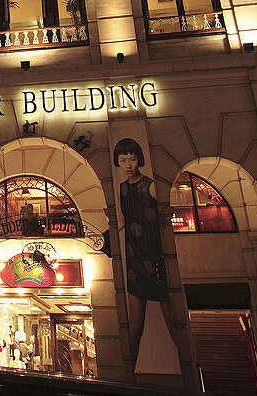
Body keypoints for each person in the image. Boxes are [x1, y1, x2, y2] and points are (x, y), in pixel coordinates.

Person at [113, 137, 176, 368]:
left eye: (132, 159)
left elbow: (167, 212)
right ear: (117, 162)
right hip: (134, 259)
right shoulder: (121, 189)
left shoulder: (150, 185)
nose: (128, 164)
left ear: (139, 159)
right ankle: (129, 375)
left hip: (154, 255)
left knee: (173, 321)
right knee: (134, 326)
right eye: (123, 160)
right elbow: (120, 221)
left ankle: (188, 369)